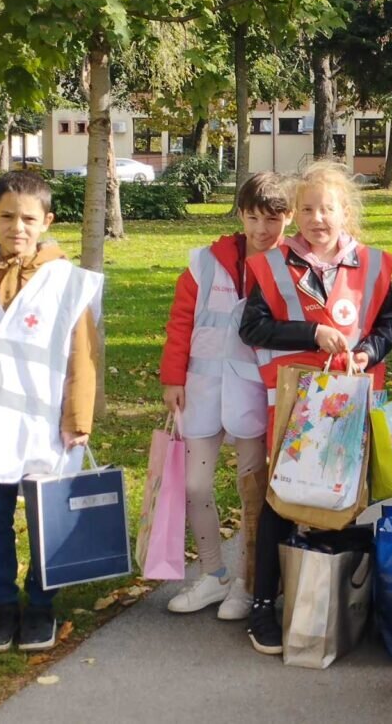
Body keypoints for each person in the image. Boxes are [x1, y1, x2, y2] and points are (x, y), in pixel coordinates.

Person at [239, 160, 392, 654]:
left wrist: (367, 351)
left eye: (326, 208)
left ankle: (332, 603)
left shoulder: (371, 264)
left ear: (345, 212)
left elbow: (390, 323)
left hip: (351, 401)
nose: (316, 218)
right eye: (306, 209)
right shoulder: (273, 264)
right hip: (295, 403)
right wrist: (311, 333)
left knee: (341, 498)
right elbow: (252, 328)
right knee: (281, 499)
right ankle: (264, 604)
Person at [0, 171, 102, 652]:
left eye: (28, 218)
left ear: (47, 221)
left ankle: (42, 606)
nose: (17, 227)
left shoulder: (66, 283)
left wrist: (78, 420)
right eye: (6, 216)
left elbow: (82, 356)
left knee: (47, 517)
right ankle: (3, 604)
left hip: (45, 426)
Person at [159, 173, 292, 619]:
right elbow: (181, 323)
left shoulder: (291, 267)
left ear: (287, 218)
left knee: (251, 491)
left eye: (272, 219)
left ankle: (248, 581)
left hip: (253, 395)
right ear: (240, 215)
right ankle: (213, 574)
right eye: (253, 218)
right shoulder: (205, 262)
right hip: (199, 391)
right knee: (196, 485)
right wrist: (172, 377)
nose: (262, 229)